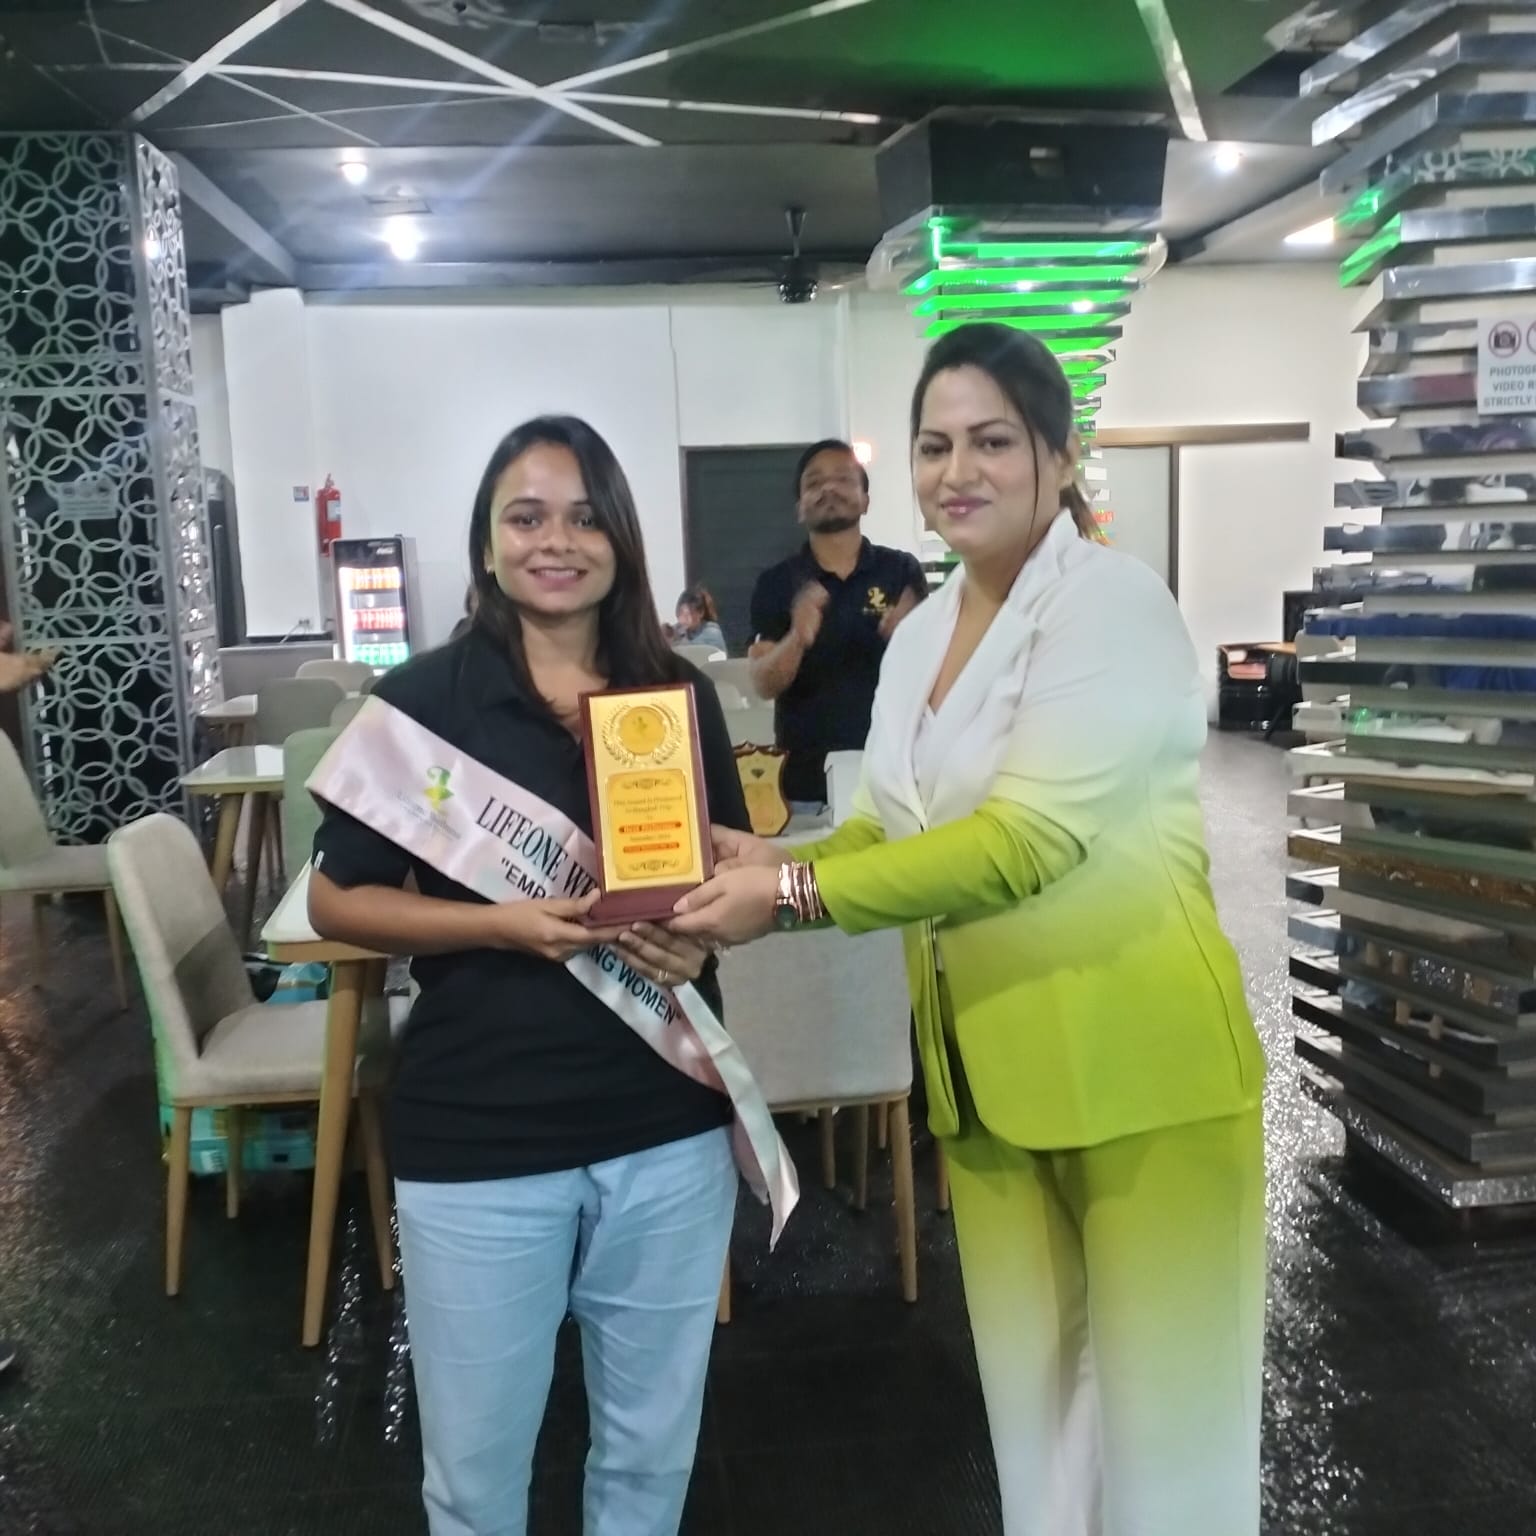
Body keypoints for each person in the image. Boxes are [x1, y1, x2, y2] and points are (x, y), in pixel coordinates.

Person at [673, 324, 1266, 1536]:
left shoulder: (1112, 607)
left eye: (993, 441)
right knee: (1040, 1443)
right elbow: (885, 826)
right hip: (985, 1088)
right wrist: (775, 862)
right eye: (936, 445)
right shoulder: (924, 635)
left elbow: (1023, 843)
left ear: (1061, 454)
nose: (959, 471)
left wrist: (790, 900)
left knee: (1173, 1453)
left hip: (1143, 1079)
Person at [307, 416, 751, 1536]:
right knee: (475, 1477)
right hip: (481, 1137)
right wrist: (497, 925)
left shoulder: (678, 697)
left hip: (666, 1124)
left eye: (586, 517)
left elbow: (726, 883)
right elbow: (334, 902)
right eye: (528, 516)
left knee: (650, 1457)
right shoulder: (420, 703)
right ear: (488, 542)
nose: (558, 541)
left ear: (622, 540)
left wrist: (703, 940)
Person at [748, 438, 927, 811]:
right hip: (805, 791)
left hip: (897, 783)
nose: (828, 488)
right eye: (814, 483)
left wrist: (912, 638)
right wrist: (797, 638)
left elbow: (935, 671)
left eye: (844, 479)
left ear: (865, 500)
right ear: (800, 507)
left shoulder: (900, 571)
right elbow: (763, 683)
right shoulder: (777, 583)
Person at [672, 585, 726, 652]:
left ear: (701, 613)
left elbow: (694, 651)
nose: (683, 618)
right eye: (680, 613)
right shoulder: (677, 630)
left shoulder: (711, 633)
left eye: (689, 614)